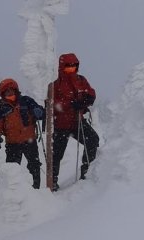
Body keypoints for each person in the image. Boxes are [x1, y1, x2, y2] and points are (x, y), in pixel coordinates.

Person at [48, 53, 99, 191]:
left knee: (93, 140)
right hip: (61, 124)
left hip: (77, 121)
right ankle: (52, 183)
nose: (71, 69)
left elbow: (91, 93)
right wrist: (71, 104)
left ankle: (87, 171)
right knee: (56, 154)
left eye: (74, 66)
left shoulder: (81, 80)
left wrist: (87, 100)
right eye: (68, 67)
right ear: (62, 67)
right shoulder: (55, 85)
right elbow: (53, 105)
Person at [0, 78, 45, 189]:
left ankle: (36, 189)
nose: (10, 94)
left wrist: (38, 111)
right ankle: (13, 194)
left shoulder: (26, 101)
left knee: (34, 166)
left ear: (16, 90)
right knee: (11, 171)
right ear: (2, 94)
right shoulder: (0, 108)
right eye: (7, 92)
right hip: (12, 144)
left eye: (11, 91)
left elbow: (41, 112)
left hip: (29, 141)